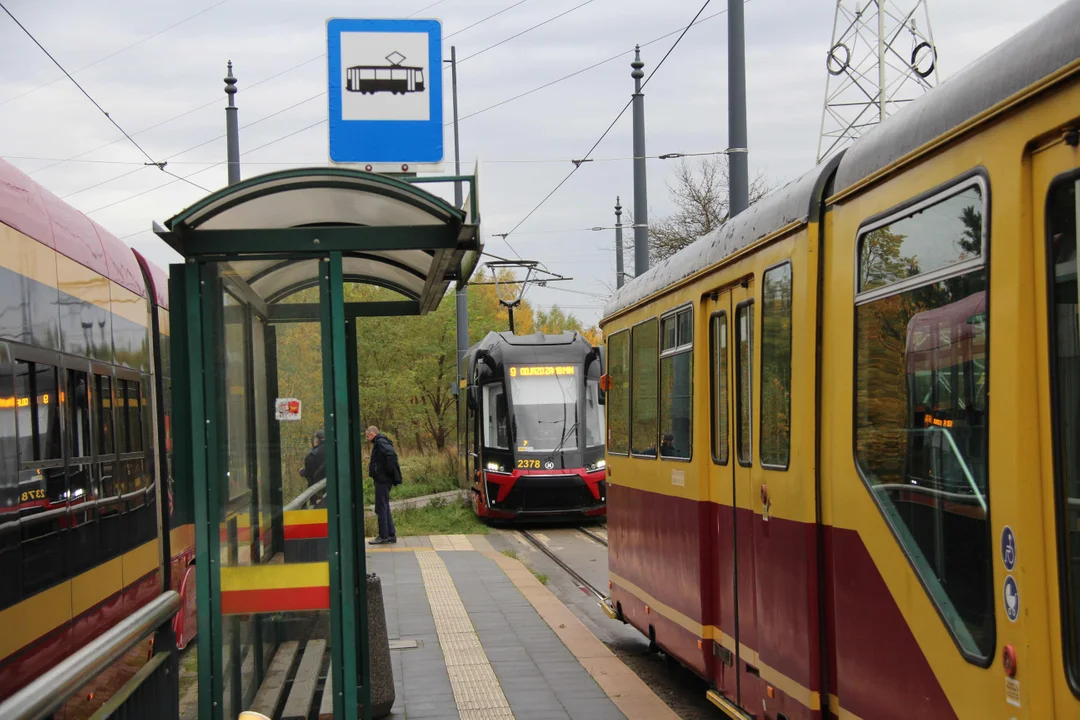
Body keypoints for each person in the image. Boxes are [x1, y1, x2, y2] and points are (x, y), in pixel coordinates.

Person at [367, 426, 401, 545]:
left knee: (380, 507)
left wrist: (384, 472)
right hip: (384, 479)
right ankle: (390, 534)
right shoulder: (382, 441)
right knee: (385, 506)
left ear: (372, 434)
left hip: (382, 480)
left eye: (368, 436)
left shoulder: (380, 442)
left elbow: (391, 455)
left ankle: (383, 536)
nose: (367, 439)